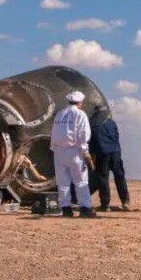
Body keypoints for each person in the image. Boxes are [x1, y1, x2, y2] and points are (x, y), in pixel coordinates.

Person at [50, 90, 97, 218]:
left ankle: (66, 209)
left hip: (59, 151)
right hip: (74, 151)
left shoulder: (60, 114)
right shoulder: (80, 115)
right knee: (81, 181)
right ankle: (85, 208)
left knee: (63, 182)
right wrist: (85, 153)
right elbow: (83, 135)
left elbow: (53, 133)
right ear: (80, 102)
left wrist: (54, 149)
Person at [88, 105, 131, 211]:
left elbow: (91, 140)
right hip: (115, 152)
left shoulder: (92, 123)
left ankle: (105, 204)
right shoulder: (111, 123)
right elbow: (117, 137)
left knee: (103, 178)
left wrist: (92, 155)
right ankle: (125, 201)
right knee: (120, 177)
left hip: (102, 153)